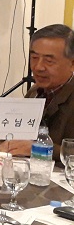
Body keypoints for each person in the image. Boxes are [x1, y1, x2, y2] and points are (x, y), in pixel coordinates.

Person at [5, 23, 74, 160]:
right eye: (34, 58)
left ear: (72, 64)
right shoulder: (35, 92)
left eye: (49, 61)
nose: (38, 67)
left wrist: (39, 148)